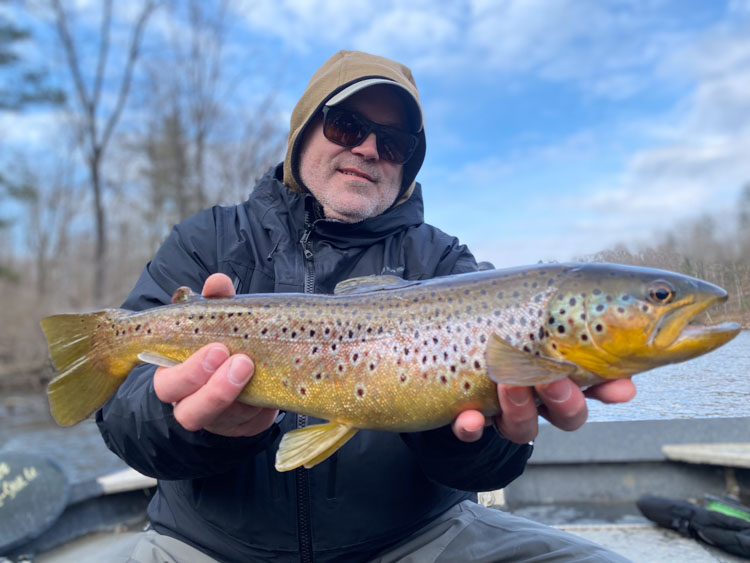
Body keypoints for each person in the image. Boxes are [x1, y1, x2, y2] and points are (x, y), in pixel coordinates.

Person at [97, 50, 635, 562]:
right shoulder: (207, 240)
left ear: (408, 163)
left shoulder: (444, 262)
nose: (370, 149)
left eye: (395, 142)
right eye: (347, 126)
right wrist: (195, 426)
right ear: (304, 132)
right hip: (206, 547)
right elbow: (123, 416)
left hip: (419, 541)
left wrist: (471, 431)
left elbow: (492, 467)